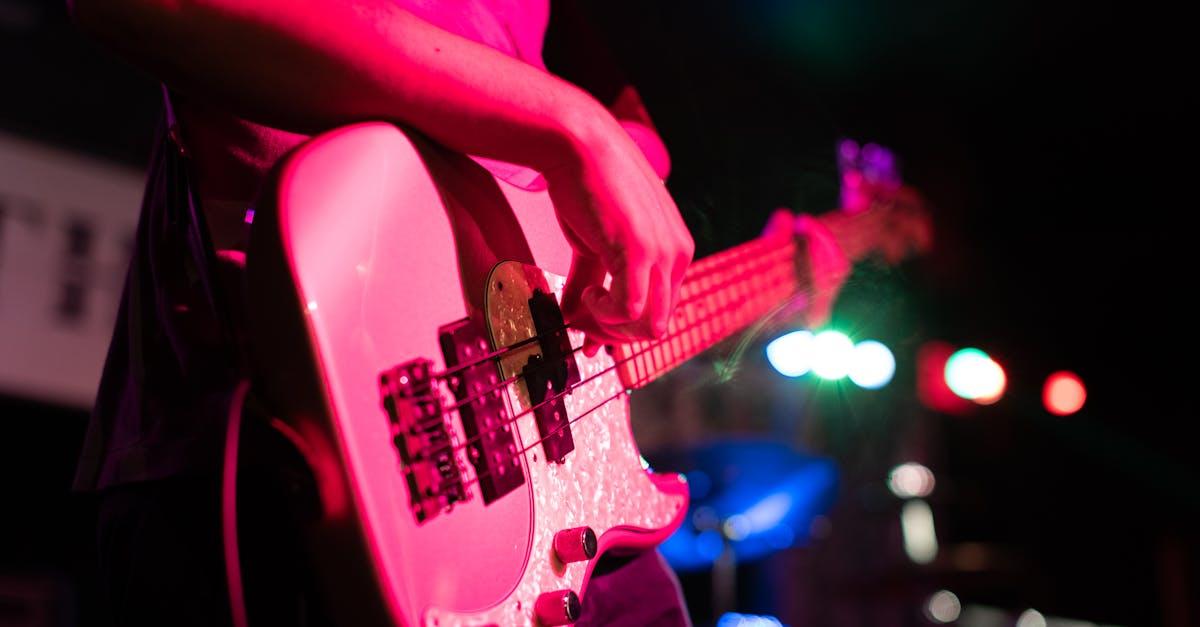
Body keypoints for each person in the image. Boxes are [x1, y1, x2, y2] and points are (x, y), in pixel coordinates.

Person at [68, 0, 695, 625]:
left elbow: (641, 145)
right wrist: (571, 128)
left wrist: (609, 144)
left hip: (556, 502)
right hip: (271, 462)